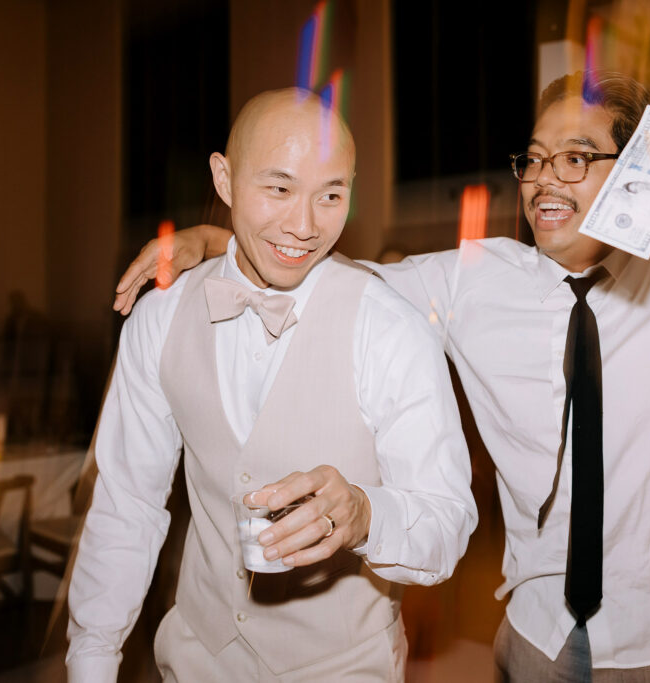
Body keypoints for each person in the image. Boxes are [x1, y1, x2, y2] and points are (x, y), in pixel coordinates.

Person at [114, 42, 650, 681]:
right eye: (535, 158)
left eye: (577, 157)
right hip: (537, 641)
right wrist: (223, 243)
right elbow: (335, 283)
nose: (545, 178)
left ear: (635, 168)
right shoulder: (476, 280)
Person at [67, 88, 477, 682]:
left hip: (344, 668)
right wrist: (92, 660)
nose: (304, 226)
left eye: (330, 195)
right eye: (279, 189)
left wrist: (365, 515)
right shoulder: (160, 318)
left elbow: (447, 523)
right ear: (224, 179)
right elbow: (127, 504)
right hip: (196, 658)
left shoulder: (392, 328)